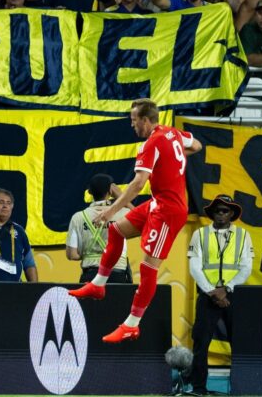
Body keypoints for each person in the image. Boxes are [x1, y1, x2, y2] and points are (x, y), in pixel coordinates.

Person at [69, 99, 203, 343]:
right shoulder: (172, 133)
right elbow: (196, 145)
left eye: (134, 121)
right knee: (117, 230)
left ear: (145, 120)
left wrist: (111, 210)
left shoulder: (150, 143)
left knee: (148, 267)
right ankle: (98, 284)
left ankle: (132, 324)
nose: (132, 125)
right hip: (157, 202)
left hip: (169, 211)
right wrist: (171, 160)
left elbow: (138, 184)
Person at [188, 194, 253, 396]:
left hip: (232, 295)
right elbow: (194, 266)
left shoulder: (243, 235)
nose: (221, 214)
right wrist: (211, 291)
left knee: (239, 343)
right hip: (208, 294)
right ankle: (199, 388)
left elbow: (246, 267)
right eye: (217, 210)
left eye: (225, 210)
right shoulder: (199, 234)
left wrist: (227, 289)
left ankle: (241, 388)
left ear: (232, 213)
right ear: (212, 213)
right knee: (201, 342)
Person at [66, 173, 132, 284]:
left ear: (90, 192)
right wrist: (121, 197)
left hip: (90, 276)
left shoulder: (78, 217)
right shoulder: (123, 213)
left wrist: (90, 256)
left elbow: (72, 255)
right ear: (111, 191)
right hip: (117, 275)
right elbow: (145, 220)